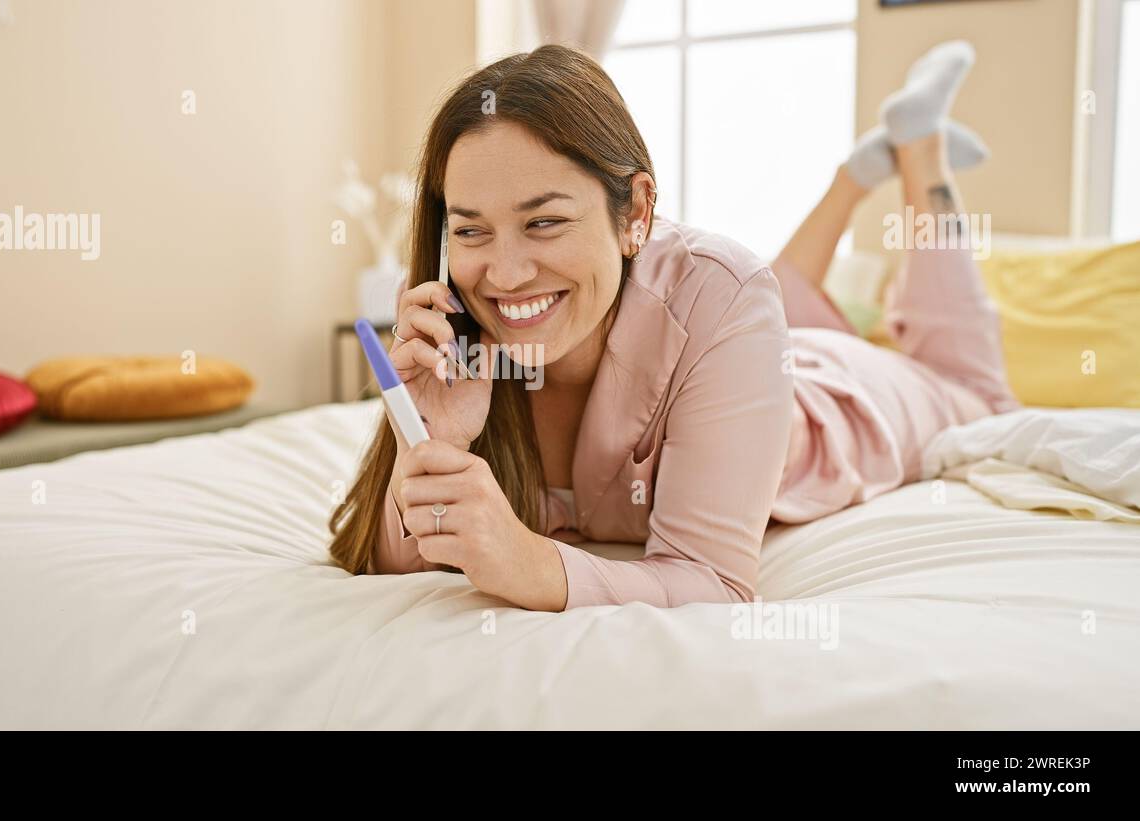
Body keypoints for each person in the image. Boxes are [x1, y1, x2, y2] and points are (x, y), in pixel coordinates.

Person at [327, 41, 1019, 611]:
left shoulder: (724, 295)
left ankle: (919, 150)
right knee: (767, 296)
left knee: (971, 382)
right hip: (749, 342)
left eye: (544, 222)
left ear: (636, 213)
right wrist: (433, 440)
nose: (503, 276)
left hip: (826, 392)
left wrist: (534, 563)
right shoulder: (459, 341)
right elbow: (387, 562)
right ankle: (854, 176)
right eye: (472, 230)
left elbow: (713, 581)